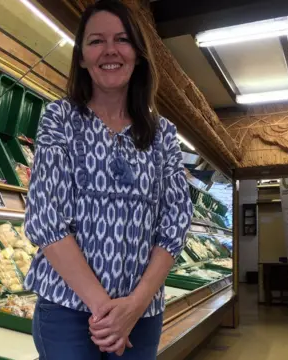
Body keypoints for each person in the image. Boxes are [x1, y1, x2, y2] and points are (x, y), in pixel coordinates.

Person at [23, 1, 193, 359]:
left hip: (142, 314)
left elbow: (175, 221)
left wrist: (134, 306)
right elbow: (46, 218)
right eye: (96, 41)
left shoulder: (163, 134)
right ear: (82, 57)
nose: (110, 50)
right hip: (66, 309)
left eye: (122, 40)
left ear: (138, 54)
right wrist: (106, 310)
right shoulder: (60, 119)